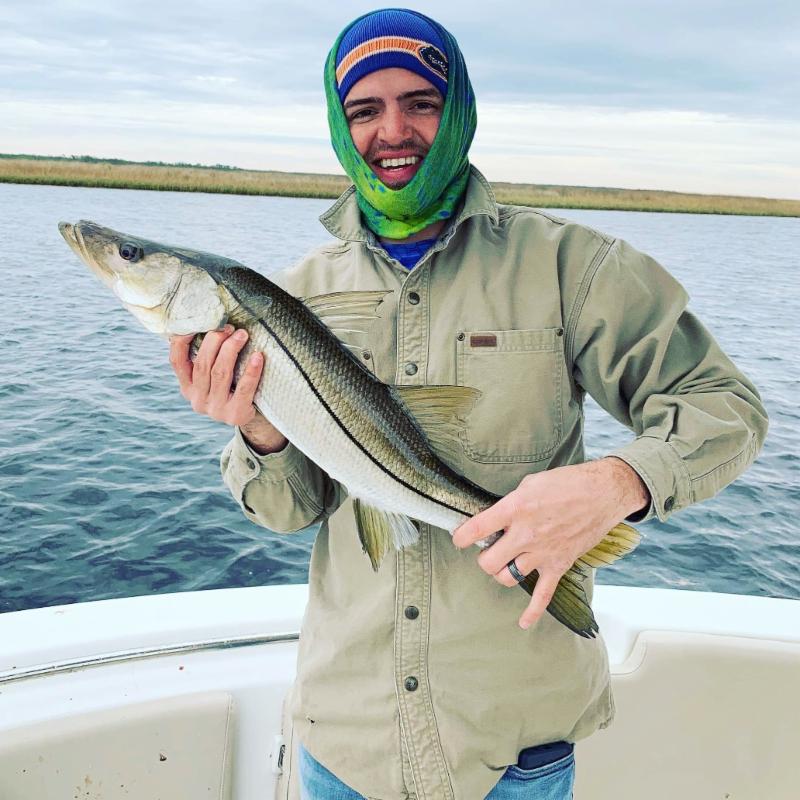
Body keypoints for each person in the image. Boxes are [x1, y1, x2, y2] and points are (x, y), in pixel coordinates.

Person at [168, 9, 768, 800]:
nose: (393, 132)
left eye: (420, 102)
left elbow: (725, 406)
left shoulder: (572, 266)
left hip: (514, 745)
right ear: (340, 127)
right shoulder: (297, 295)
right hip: (344, 739)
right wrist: (257, 430)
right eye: (365, 110)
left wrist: (618, 483)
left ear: (459, 110)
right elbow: (291, 513)